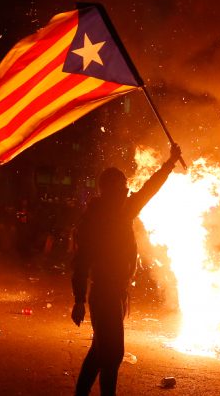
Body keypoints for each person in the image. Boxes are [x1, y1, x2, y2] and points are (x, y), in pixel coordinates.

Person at [70, 143, 181, 396]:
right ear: (109, 190)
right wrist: (78, 299)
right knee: (113, 353)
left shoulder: (118, 211)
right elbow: (81, 262)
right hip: (105, 294)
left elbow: (148, 190)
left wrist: (170, 163)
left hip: (116, 293)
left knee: (100, 351)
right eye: (120, 186)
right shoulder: (104, 217)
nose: (126, 190)